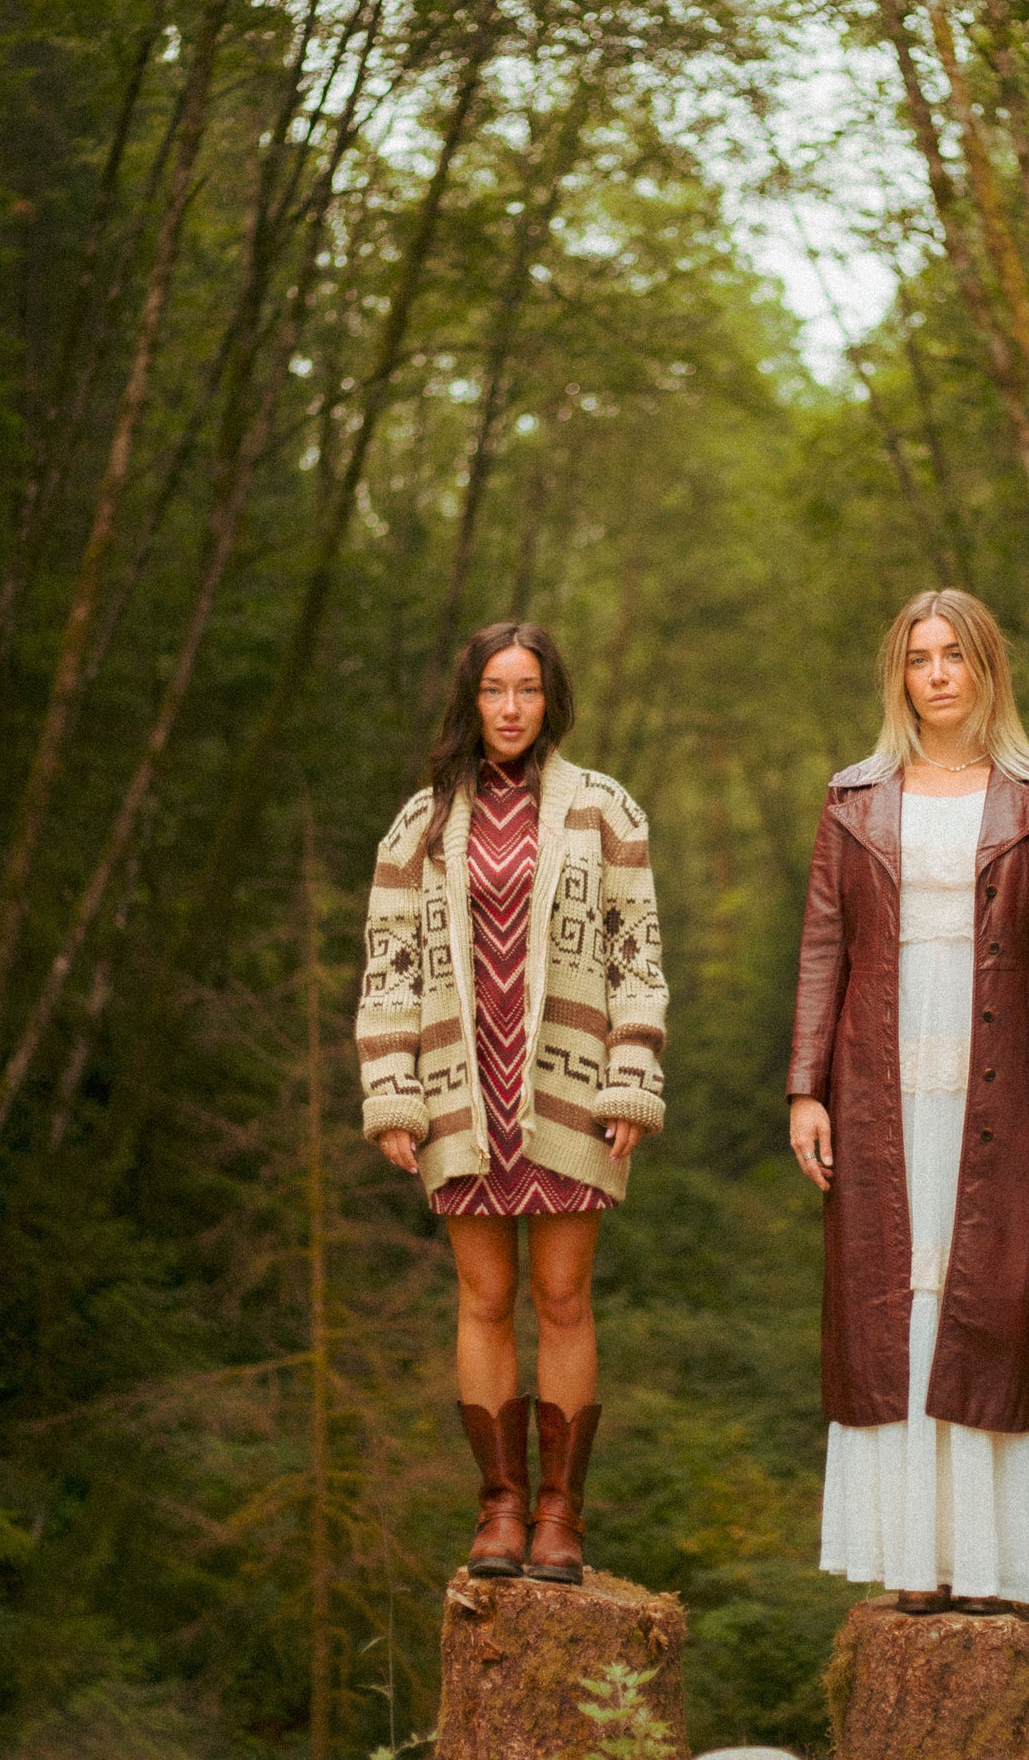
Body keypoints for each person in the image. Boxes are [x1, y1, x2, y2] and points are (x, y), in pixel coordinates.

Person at [787, 588, 1029, 1613]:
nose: (937, 675)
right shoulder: (853, 798)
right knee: (895, 1301)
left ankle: (989, 1563)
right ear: (900, 677)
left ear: (986, 668)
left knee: (997, 1301)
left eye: (954, 655)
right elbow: (823, 948)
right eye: (919, 658)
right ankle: (916, 1563)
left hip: (1006, 1075)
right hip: (876, 1077)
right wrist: (805, 1090)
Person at [356, 621, 667, 1583]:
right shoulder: (419, 826)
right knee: (484, 1299)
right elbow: (389, 966)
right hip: (459, 1088)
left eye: (527, 690)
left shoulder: (606, 811)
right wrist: (392, 1090)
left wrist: (633, 1073)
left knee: (563, 1298)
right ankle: (498, 1508)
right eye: (495, 690)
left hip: (571, 1087)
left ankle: (560, 1516)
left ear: (550, 700)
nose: (510, 708)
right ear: (471, 699)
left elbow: (637, 952)